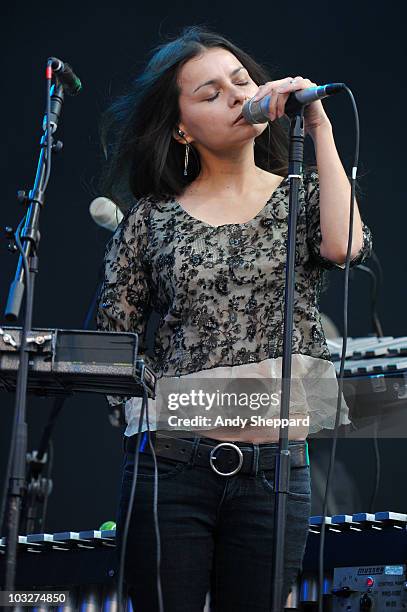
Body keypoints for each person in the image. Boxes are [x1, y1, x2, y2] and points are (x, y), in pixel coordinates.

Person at [96, 25, 372, 611]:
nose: (233, 95)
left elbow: (344, 246)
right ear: (180, 127)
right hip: (171, 469)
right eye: (209, 92)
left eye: (240, 82)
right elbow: (110, 347)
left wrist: (317, 122)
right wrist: (169, 408)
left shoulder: (300, 198)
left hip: (272, 471)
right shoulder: (151, 220)